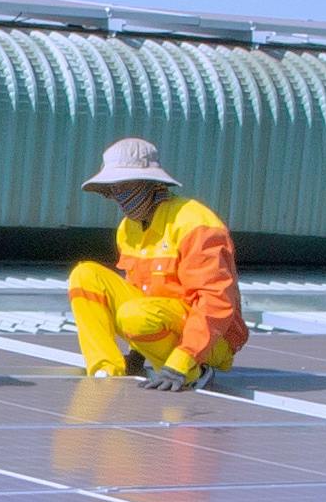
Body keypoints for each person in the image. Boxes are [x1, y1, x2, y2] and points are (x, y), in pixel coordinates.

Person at [67, 137, 243, 390]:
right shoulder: (127, 229)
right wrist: (138, 355)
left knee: (135, 316)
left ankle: (196, 372)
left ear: (151, 184)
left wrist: (181, 363)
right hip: (156, 320)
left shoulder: (194, 222)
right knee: (85, 275)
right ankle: (106, 371)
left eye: (126, 186)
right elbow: (141, 293)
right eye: (113, 189)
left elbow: (215, 301)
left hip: (213, 341)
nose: (119, 197)